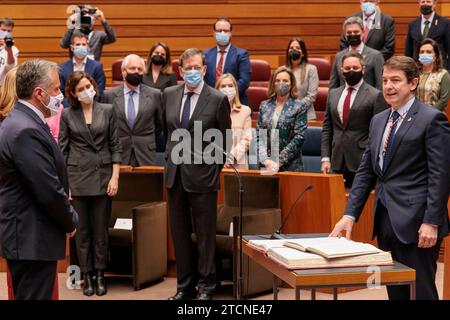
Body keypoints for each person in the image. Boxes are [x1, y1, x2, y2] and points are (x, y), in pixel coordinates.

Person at [330, 56, 450, 300]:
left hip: (418, 224)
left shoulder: (431, 119)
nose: (388, 86)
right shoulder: (378, 120)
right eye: (384, 80)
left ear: (413, 83)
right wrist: (349, 215)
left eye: (396, 80)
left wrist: (432, 221)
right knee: (396, 292)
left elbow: (441, 175)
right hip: (385, 221)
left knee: (421, 292)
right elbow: (366, 172)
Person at [0, 59, 78, 300]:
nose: (60, 95)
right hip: (30, 238)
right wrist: (70, 219)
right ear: (39, 93)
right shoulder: (25, 129)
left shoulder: (24, 121)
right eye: (56, 89)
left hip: (30, 236)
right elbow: (47, 188)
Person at [163, 48, 231, 300]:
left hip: (203, 177)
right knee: (179, 235)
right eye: (187, 68)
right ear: (180, 71)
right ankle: (184, 286)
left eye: (196, 68)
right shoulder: (168, 94)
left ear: (204, 70)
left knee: (204, 236)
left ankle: (207, 286)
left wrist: (212, 169)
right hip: (175, 176)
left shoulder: (216, 99)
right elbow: (166, 131)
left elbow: (224, 141)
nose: (192, 72)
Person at [59, 71, 121, 297]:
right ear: (74, 94)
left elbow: (115, 145)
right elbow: (62, 152)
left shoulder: (108, 110)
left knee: (100, 233)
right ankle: (87, 276)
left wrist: (115, 177)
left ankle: (101, 274)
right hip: (76, 179)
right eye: (81, 89)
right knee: (82, 232)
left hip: (103, 177)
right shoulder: (67, 114)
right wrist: (64, 186)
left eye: (88, 86)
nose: (86, 91)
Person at [321, 51, 388, 188]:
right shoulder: (333, 94)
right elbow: (327, 128)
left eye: (355, 68)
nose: (351, 71)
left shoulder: (375, 95)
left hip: (362, 161)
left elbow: (377, 133)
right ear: (341, 70)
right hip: (336, 161)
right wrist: (325, 158)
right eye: (347, 68)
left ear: (363, 70)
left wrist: (370, 160)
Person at [103, 54, 162, 166]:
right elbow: (106, 126)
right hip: (119, 152)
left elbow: (159, 125)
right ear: (123, 71)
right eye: (132, 68)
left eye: (140, 69)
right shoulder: (109, 95)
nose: (136, 71)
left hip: (146, 153)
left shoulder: (155, 94)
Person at [257, 66, 307, 173]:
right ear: (273, 83)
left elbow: (299, 137)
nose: (281, 83)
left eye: (285, 80)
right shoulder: (264, 105)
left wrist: (278, 161)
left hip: (291, 166)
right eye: (278, 80)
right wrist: (265, 160)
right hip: (267, 165)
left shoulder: (299, 106)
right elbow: (259, 135)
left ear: (291, 84)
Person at [204, 17, 251, 105]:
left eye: (226, 31)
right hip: (209, 102)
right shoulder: (205, 55)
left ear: (230, 33)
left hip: (235, 102)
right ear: (214, 33)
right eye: (219, 30)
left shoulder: (242, 54)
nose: (222, 33)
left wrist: (227, 94)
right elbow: (202, 80)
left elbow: (244, 81)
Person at [330, 16, 384, 90]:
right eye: (349, 32)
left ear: (363, 33)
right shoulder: (339, 56)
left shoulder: (375, 55)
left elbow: (380, 85)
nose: (352, 34)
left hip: (368, 99)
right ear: (345, 35)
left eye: (356, 32)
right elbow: (333, 85)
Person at [59, 31, 106, 107]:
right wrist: (72, 108)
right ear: (72, 48)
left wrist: (87, 106)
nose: (81, 46)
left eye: (84, 44)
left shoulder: (97, 67)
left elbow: (99, 93)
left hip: (91, 108)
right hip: (69, 110)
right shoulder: (62, 68)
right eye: (78, 44)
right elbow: (60, 93)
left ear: (87, 47)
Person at [216, 73, 252, 169]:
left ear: (235, 89)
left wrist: (231, 157)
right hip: (215, 164)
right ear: (217, 90)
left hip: (238, 164)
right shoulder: (210, 111)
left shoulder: (245, 111)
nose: (227, 89)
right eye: (223, 86)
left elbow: (247, 139)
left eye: (230, 86)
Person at [405, 0, 450, 70]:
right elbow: (408, 51)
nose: (425, 4)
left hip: (439, 68)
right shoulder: (413, 24)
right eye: (423, 2)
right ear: (419, 3)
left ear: (434, 4)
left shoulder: (445, 23)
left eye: (428, 1)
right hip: (418, 69)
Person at [285, 38, 319, 121]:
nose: (294, 50)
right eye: (291, 48)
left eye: (298, 48)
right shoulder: (282, 70)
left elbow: (311, 96)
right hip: (285, 116)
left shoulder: (311, 69)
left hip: (306, 116)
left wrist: (295, 109)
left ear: (303, 53)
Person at [416, 38, 450, 111]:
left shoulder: (443, 74)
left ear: (436, 55)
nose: (424, 54)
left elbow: (443, 101)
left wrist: (428, 113)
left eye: (429, 52)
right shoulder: (415, 74)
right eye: (422, 52)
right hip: (415, 116)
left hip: (435, 116)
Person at [0, 18, 19, 85]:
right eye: (3, 30)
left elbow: (11, 68)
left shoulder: (13, 49)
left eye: (9, 31)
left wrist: (9, 50)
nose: (6, 33)